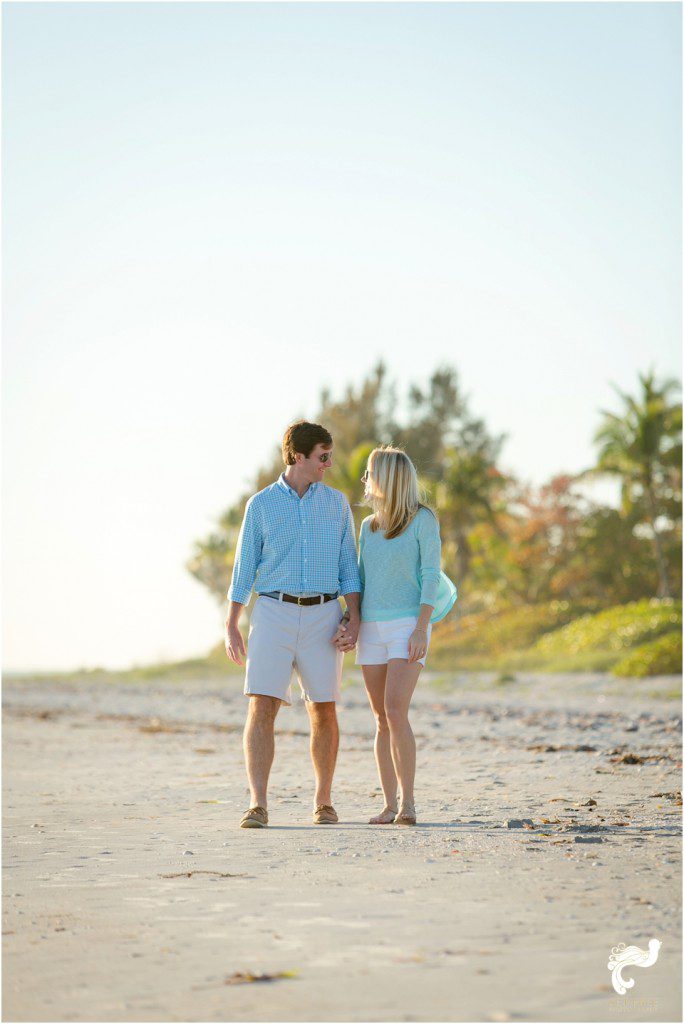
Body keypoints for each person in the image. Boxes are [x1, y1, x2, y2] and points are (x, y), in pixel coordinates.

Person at [225, 421, 361, 829]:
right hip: (273, 613)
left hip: (323, 613)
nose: (329, 464)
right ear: (297, 456)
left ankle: (323, 803)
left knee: (323, 708)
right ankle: (258, 804)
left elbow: (348, 569)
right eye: (322, 457)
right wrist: (231, 622)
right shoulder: (261, 505)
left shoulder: (336, 504)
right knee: (262, 705)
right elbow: (243, 569)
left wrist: (354, 618)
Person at [335, 445, 440, 826]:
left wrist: (420, 628)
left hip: (408, 624)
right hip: (373, 629)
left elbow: (431, 575)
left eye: (370, 473)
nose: (365, 479)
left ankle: (409, 804)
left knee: (396, 711)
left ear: (388, 478)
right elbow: (362, 580)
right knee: (381, 718)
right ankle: (389, 804)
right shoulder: (368, 527)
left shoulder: (423, 520)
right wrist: (352, 619)